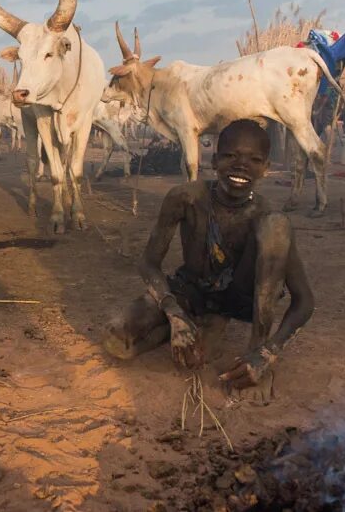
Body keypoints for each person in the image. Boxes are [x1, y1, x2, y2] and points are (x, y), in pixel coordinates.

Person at [104, 119, 314, 397]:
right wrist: (174, 314)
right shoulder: (186, 198)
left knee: (277, 225)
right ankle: (193, 327)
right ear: (214, 161)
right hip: (191, 292)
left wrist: (268, 353)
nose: (241, 166)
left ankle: (252, 352)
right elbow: (148, 263)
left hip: (239, 299)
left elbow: (305, 301)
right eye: (230, 156)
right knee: (117, 338)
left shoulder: (266, 217)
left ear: (266, 168)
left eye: (254, 160)